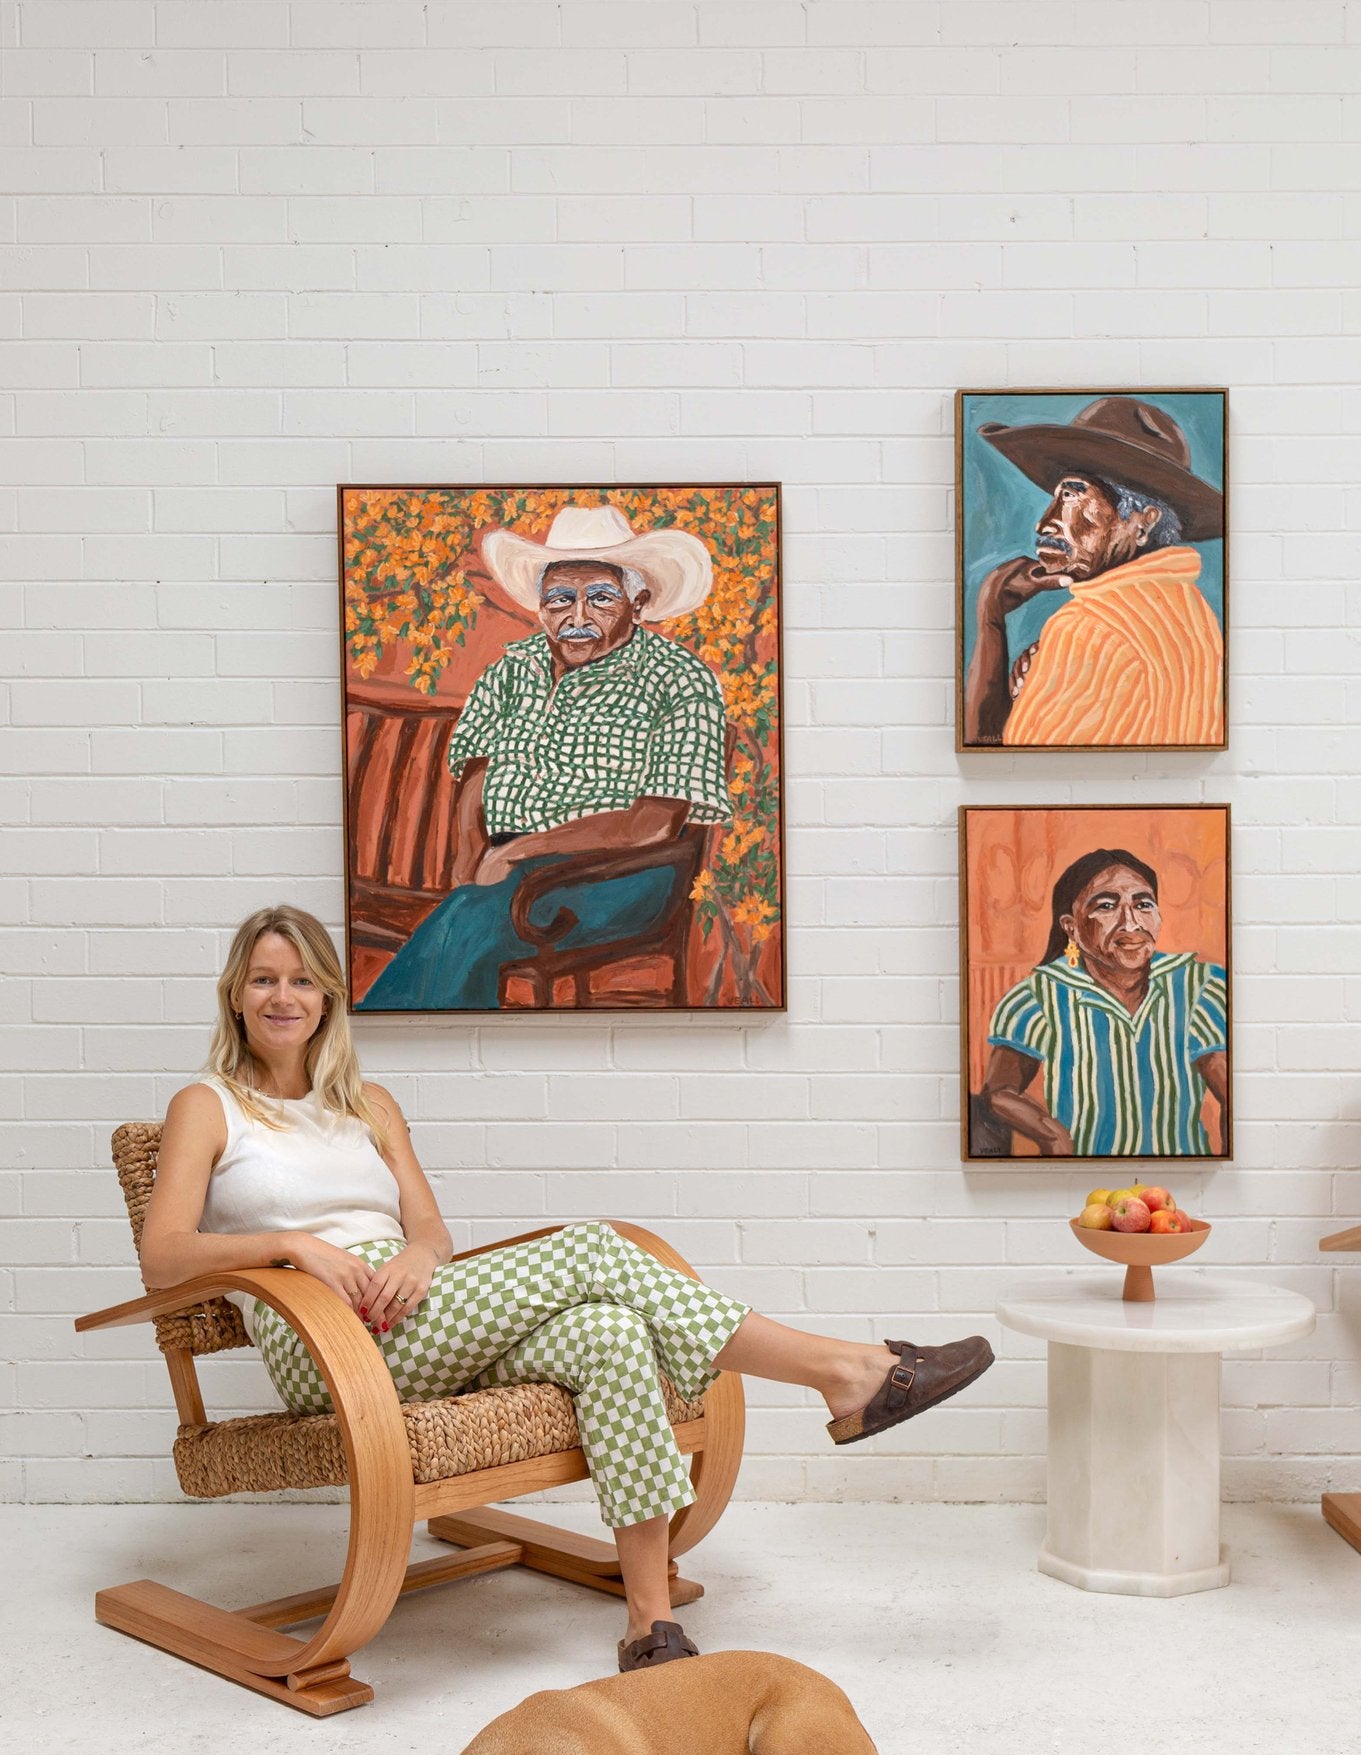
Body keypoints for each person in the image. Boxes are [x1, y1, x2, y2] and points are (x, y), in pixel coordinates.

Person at [143, 906, 993, 1670]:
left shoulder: (370, 1104)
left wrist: (419, 1259)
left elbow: (432, 1231)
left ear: (327, 997)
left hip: (410, 1315)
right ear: (236, 996)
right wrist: (294, 1247)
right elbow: (164, 1256)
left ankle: (648, 1626)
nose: (281, 996)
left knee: (609, 1334)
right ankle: (847, 1372)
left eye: (300, 980)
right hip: (322, 1340)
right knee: (592, 1248)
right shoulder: (208, 1105)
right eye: (263, 979)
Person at [358, 504, 733, 1011]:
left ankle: (386, 1037)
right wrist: (470, 853)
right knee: (475, 908)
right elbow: (476, 772)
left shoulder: (678, 680)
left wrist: (517, 852)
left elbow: (652, 823)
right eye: (560, 599)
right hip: (511, 869)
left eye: (600, 598)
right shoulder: (513, 669)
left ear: (637, 601)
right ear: (540, 604)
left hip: (621, 873)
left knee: (473, 920)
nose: (576, 618)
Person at [964, 396, 1224, 748]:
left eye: (1072, 497)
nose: (1046, 522)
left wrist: (990, 619)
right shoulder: (1195, 617)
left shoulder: (1086, 629)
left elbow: (1001, 767)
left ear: (1143, 522)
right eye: (1056, 497)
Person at [979, 849, 1228, 1158]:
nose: (1131, 923)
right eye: (1107, 906)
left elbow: (1231, 1093)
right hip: (1081, 1177)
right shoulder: (1039, 995)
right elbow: (1000, 1091)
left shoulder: (1199, 985)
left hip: (1177, 1177)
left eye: (1143, 904)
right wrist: (1051, 1134)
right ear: (1070, 926)